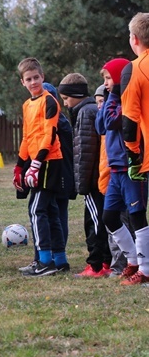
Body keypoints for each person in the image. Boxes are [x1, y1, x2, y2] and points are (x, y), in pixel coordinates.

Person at [13, 58, 67, 277]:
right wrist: (19, 165)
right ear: (22, 82)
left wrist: (36, 164)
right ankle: (60, 260)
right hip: (36, 161)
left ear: (43, 77)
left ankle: (44, 261)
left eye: (36, 77)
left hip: (49, 161)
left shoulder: (49, 101)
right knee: (51, 210)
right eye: (29, 79)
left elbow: (49, 134)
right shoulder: (27, 105)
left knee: (37, 209)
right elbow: (27, 137)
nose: (33, 82)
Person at [58, 73, 112, 278]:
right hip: (100, 178)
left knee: (94, 222)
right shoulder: (90, 109)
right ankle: (106, 261)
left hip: (93, 180)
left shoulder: (84, 113)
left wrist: (81, 184)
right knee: (101, 219)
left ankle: (96, 265)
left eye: (66, 99)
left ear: (76, 94)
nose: (65, 104)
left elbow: (84, 152)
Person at [96, 59, 146, 284]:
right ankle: (133, 259)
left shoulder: (126, 101)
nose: (105, 84)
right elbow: (100, 125)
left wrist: (114, 95)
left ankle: (145, 268)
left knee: (137, 216)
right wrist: (108, 97)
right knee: (109, 216)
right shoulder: (111, 99)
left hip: (131, 167)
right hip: (115, 169)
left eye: (108, 79)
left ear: (119, 80)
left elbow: (112, 120)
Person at [120, 12, 149, 285]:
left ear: (135, 39)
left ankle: (147, 269)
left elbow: (128, 120)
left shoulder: (134, 68)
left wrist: (132, 153)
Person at [93, 82, 127, 276]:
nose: (100, 106)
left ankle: (122, 265)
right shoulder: (105, 118)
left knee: (123, 223)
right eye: (98, 102)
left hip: (119, 175)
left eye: (102, 101)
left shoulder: (117, 116)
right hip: (108, 179)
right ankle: (118, 264)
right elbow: (100, 126)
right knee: (112, 223)